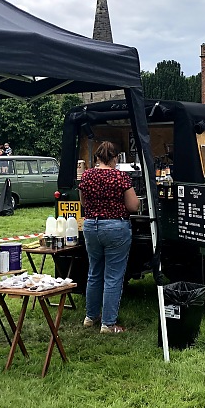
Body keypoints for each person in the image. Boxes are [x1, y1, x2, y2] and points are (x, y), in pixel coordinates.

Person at [79, 141, 139, 334]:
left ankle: (91, 317)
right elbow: (133, 206)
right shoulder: (120, 177)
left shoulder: (87, 176)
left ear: (97, 157)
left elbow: (83, 202)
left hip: (90, 226)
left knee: (94, 272)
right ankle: (108, 323)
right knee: (113, 276)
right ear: (115, 158)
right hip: (115, 227)